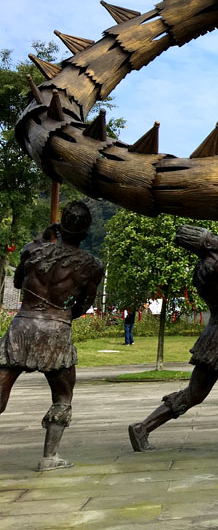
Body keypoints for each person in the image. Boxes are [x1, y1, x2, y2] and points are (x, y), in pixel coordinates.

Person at [128, 217, 218, 452]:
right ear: (207, 245)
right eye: (212, 236)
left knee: (194, 394)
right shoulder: (217, 267)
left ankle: (143, 428)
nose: (217, 237)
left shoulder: (214, 261)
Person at [0, 202, 104, 471]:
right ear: (85, 233)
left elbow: (17, 283)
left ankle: (51, 457)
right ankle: (49, 456)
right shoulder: (92, 265)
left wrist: (44, 240)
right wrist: (63, 312)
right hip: (57, 330)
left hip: (23, 325)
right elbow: (84, 305)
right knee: (62, 396)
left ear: (60, 225)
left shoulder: (32, 251)